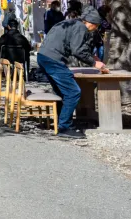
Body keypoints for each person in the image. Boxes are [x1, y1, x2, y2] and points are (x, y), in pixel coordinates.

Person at [36, 7, 107, 139]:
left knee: (61, 91)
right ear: (91, 23)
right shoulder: (81, 28)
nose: (94, 30)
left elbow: (79, 47)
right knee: (73, 92)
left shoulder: (70, 23)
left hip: (43, 56)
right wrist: (94, 63)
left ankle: (60, 121)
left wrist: (93, 57)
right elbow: (78, 50)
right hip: (53, 59)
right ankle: (64, 127)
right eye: (95, 27)